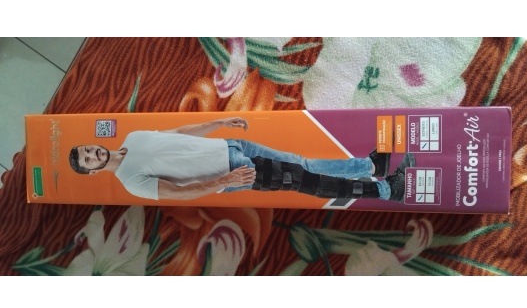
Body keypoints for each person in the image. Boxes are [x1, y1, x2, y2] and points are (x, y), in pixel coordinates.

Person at [69, 117, 415, 203]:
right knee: (305, 180)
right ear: (92, 171)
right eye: (88, 159)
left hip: (232, 145)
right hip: (233, 171)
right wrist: (224, 182)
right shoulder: (131, 181)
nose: (93, 153)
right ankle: (386, 190)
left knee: (302, 163)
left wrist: (219, 123)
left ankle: (369, 168)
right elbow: (180, 193)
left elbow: (180, 133)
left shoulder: (132, 138)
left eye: (88, 149)